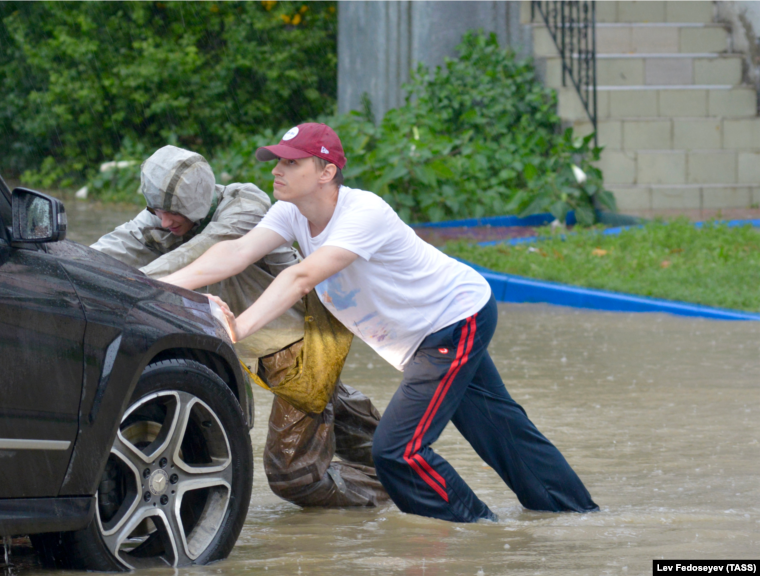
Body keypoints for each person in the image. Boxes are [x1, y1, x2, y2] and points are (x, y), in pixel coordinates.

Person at [159, 123, 598, 522]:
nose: (277, 170)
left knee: (397, 452)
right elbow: (235, 253)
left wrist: (235, 329)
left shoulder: (362, 213)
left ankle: (479, 531)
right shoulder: (291, 212)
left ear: (326, 171)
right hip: (426, 336)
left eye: (291, 163)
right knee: (499, 429)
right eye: (277, 161)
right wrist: (154, 287)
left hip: (453, 321)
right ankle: (575, 515)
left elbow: (301, 277)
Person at [92, 145, 389, 507]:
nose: (166, 222)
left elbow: (200, 256)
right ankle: (411, 467)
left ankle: (397, 494)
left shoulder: (245, 206)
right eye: (158, 211)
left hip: (306, 345)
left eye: (175, 213)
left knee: (294, 476)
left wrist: (134, 286)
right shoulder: (159, 220)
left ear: (197, 203)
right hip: (263, 351)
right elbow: (104, 254)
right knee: (353, 425)